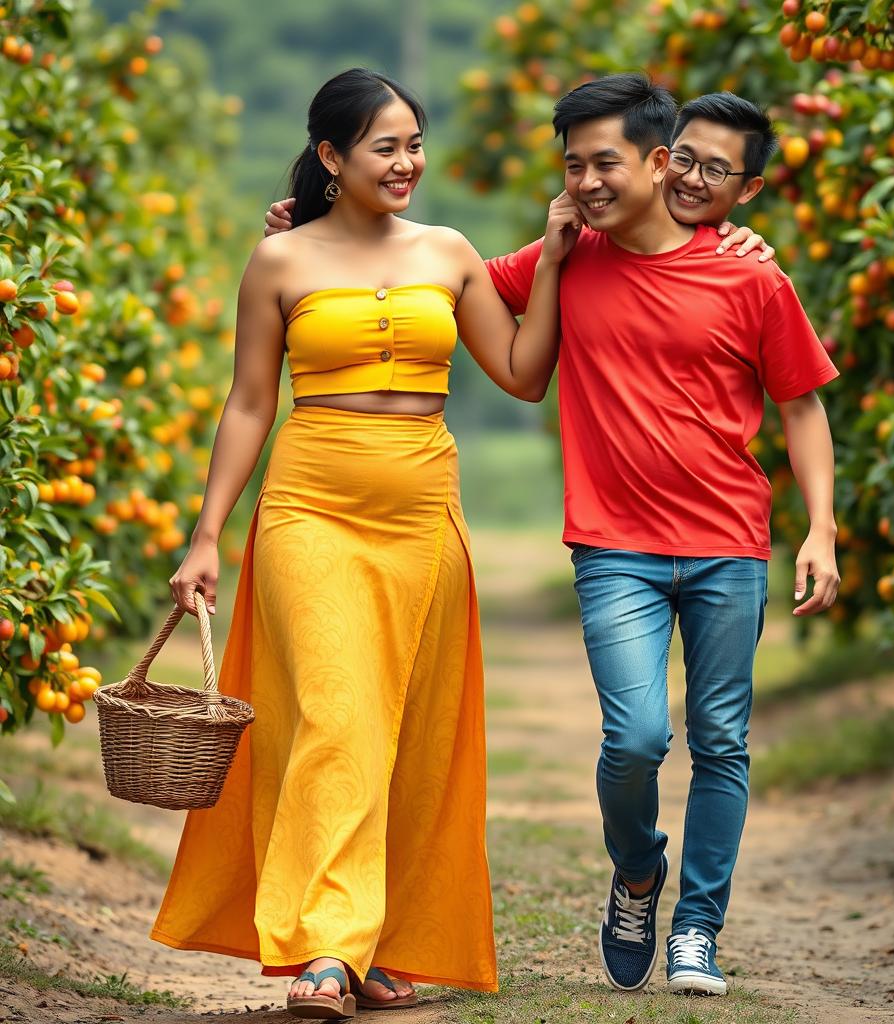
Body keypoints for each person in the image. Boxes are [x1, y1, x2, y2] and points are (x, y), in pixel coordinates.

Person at [262, 79, 792, 1003]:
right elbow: (381, 306)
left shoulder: (736, 270)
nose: (584, 182)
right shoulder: (537, 252)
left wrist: (818, 528)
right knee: (615, 738)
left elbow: (526, 369)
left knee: (710, 741)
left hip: (678, 535)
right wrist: (315, 229)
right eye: (572, 165)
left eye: (413, 143)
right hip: (540, 533)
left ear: (654, 164)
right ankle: (619, 877)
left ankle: (690, 930)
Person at [153, 67, 581, 1021]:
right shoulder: (279, 261)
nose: (408, 163)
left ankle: (374, 944)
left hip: (423, 515)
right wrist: (206, 536)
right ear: (331, 157)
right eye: (386, 146)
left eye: (415, 144)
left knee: (406, 733)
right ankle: (325, 951)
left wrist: (550, 266)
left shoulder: (449, 250)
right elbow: (250, 403)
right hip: (308, 507)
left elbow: (520, 372)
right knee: (337, 717)